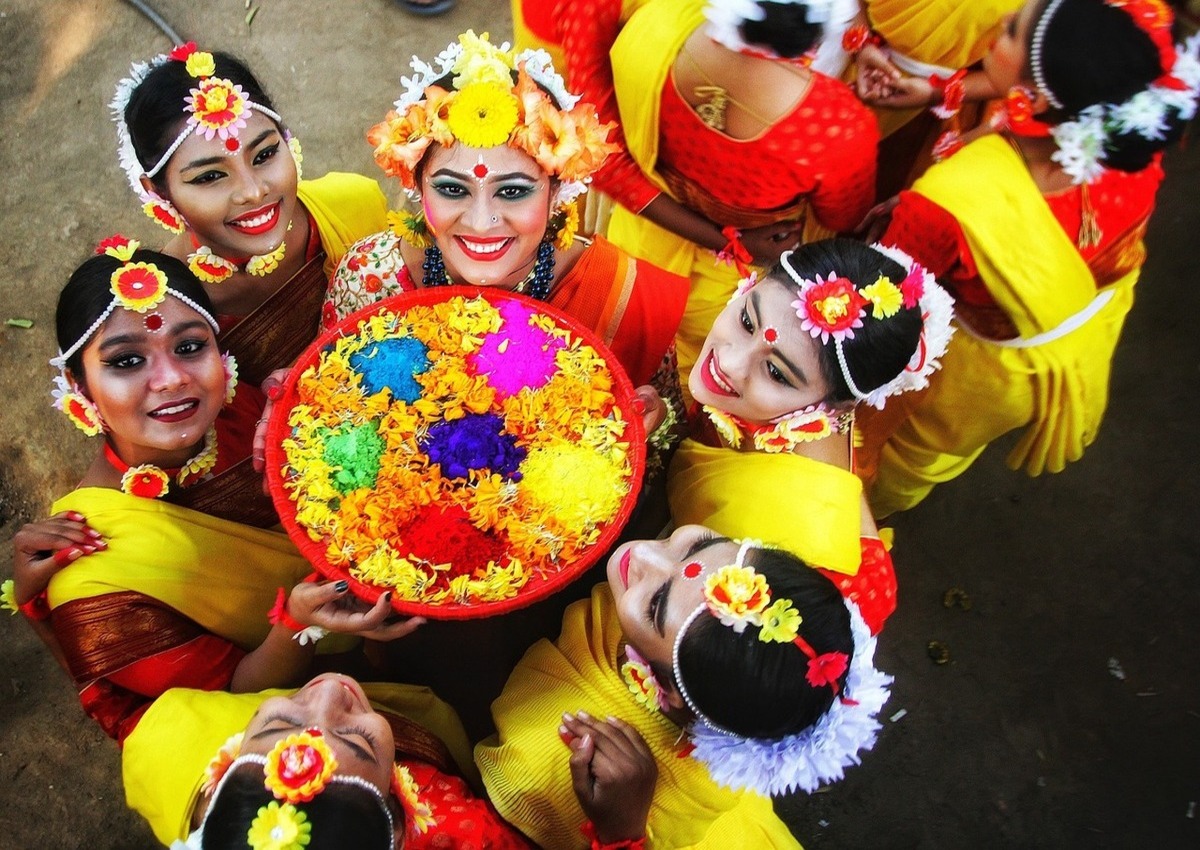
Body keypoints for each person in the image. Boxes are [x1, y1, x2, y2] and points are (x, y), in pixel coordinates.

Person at [10, 241, 417, 744]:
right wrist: (298, 624)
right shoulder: (92, 574)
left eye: (188, 347)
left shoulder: (252, 407)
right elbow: (226, 697)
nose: (172, 379)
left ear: (220, 351)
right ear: (78, 384)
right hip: (302, 713)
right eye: (126, 361)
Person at [857, 0, 1200, 517]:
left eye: (1012, 31)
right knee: (934, 457)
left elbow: (881, 308)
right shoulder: (1125, 140)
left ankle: (862, 511)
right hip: (1066, 343)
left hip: (973, 373)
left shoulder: (949, 202)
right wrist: (940, 91)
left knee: (900, 448)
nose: (1000, 22)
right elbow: (1033, 106)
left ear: (1034, 97)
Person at [541, 0, 880, 399]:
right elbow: (845, 214)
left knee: (614, 351)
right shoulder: (836, 128)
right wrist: (732, 240)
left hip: (638, 242)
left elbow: (599, 151)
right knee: (703, 379)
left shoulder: (655, 28)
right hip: (734, 290)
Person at [475, 525, 893, 848]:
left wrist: (619, 831)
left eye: (655, 606)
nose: (643, 552)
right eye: (699, 546)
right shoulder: (714, 651)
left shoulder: (547, 760)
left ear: (665, 686)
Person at [325, 31, 689, 391]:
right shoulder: (371, 280)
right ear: (417, 186)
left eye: (513, 191)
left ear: (558, 189)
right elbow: (323, 405)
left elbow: (668, 438)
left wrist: (652, 422)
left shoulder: (626, 300)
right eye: (452, 189)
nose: (482, 222)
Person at [115, 43, 388, 520]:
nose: (253, 191)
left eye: (264, 154)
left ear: (287, 138)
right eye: (209, 177)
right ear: (158, 192)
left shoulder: (353, 205)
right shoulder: (160, 310)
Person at [666, 239, 953, 629]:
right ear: (750, 284)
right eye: (747, 321)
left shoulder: (804, 549)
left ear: (836, 406)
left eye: (777, 373)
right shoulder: (775, 408)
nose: (730, 364)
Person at [123, 673, 531, 848]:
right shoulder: (470, 833)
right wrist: (599, 828)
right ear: (398, 822)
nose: (328, 691)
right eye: (357, 739)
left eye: (278, 722)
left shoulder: (171, 750)